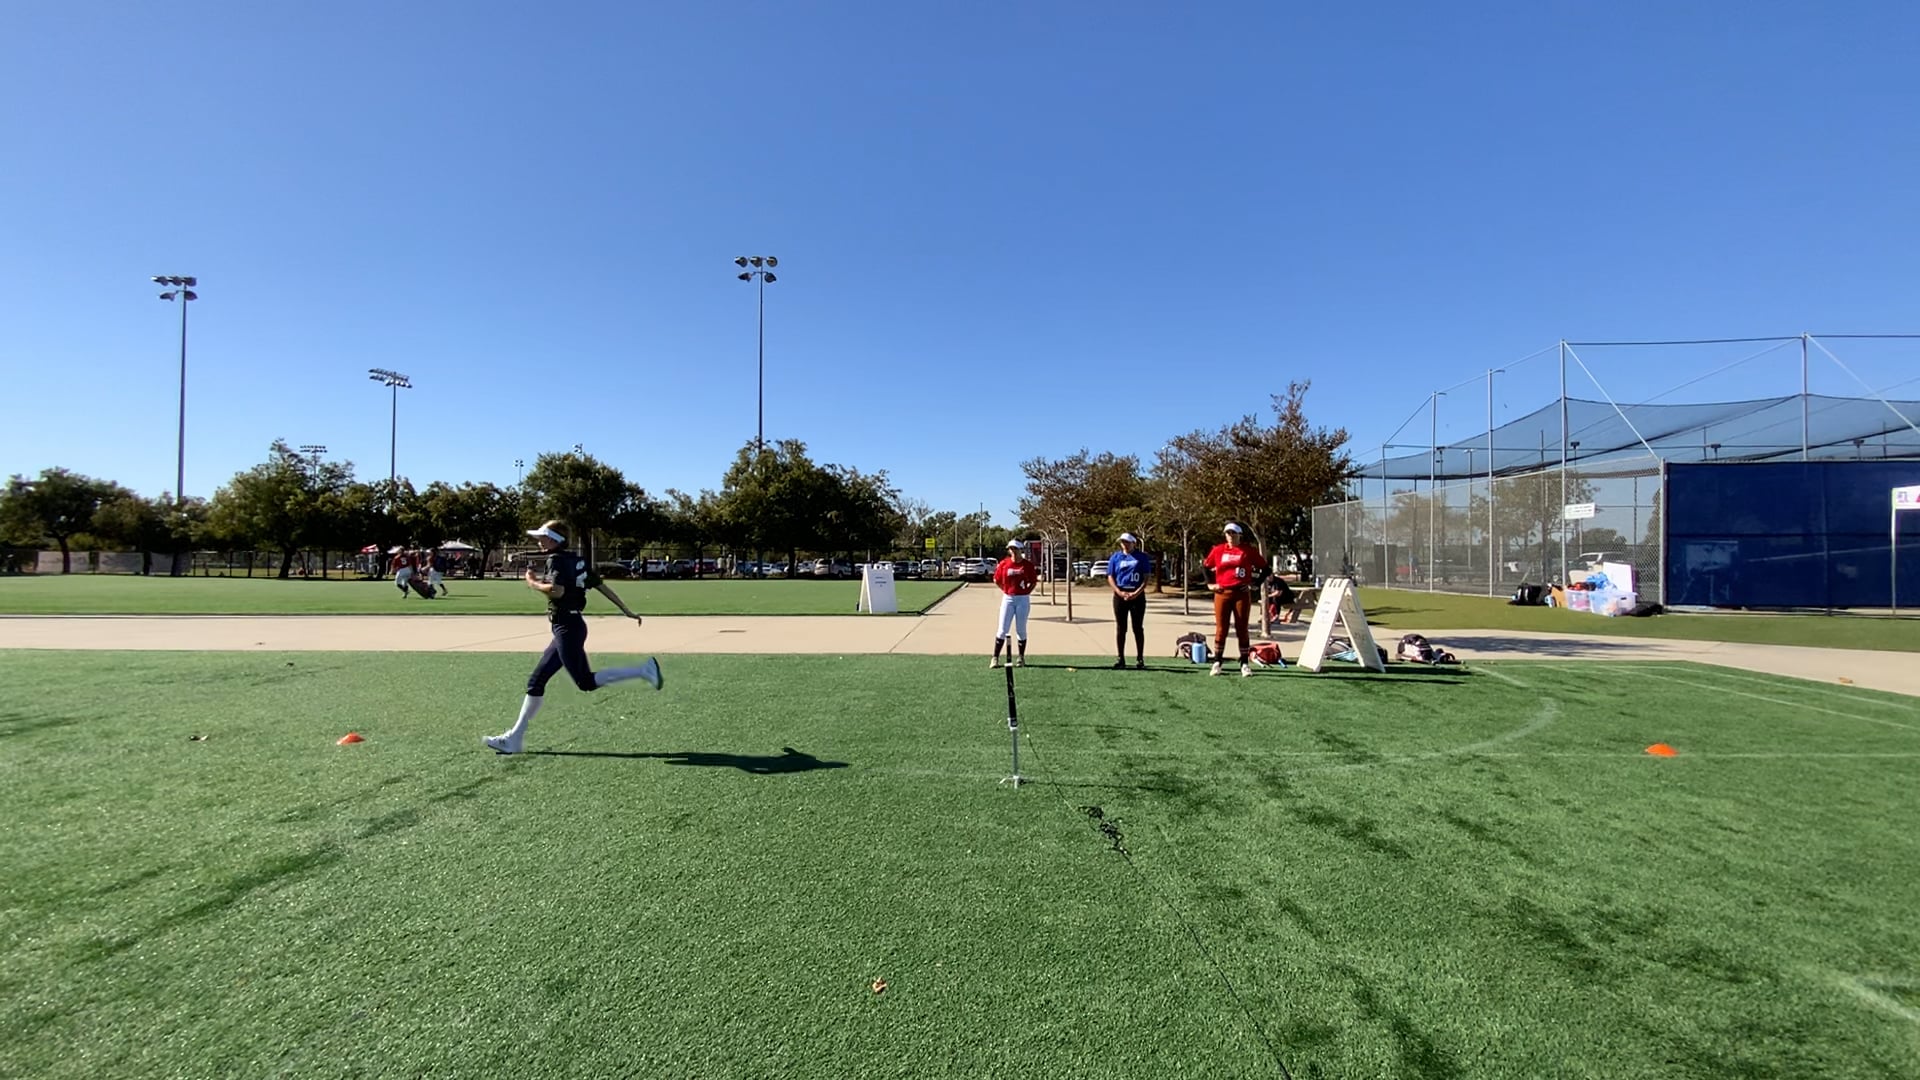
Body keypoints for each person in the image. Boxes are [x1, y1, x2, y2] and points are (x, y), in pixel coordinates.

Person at [485, 521, 664, 755]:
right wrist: (626, 610)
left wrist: (532, 583)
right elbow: (601, 586)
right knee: (536, 682)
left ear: (554, 539)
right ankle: (514, 739)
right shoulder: (576, 560)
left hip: (567, 627)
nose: (539, 541)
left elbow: (557, 591)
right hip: (570, 626)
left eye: (542, 537)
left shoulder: (556, 560)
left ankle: (643, 671)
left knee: (585, 682)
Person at [1202, 522, 1269, 677]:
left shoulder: (1248, 551)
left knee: (1242, 628)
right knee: (1221, 629)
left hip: (1241, 594)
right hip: (1222, 593)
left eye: (1233, 533)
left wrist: (1254, 584)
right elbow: (1206, 566)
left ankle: (1244, 663)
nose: (1230, 536)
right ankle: (1217, 661)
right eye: (1228, 533)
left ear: (1239, 535)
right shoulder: (1218, 550)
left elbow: (1265, 569)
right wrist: (1210, 584)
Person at [990, 538, 1039, 668]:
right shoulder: (1004, 564)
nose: (1013, 551)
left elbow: (1033, 581)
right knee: (1002, 629)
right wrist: (1005, 590)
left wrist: (1027, 592)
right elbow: (996, 580)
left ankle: (1021, 657)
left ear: (1020, 549)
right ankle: (995, 658)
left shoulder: (1027, 565)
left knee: (1021, 629)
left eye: (1015, 549)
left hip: (1022, 599)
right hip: (1008, 598)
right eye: (1011, 549)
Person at [1107, 532, 1151, 669]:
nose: (1124, 544)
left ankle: (1140, 658)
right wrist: (1119, 592)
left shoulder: (1142, 557)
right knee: (1121, 628)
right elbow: (1110, 576)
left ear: (1133, 543)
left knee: (1137, 627)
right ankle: (1120, 658)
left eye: (1127, 542)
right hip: (1120, 595)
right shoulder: (1115, 557)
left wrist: (1136, 593)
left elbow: (1146, 577)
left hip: (1137, 596)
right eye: (1122, 542)